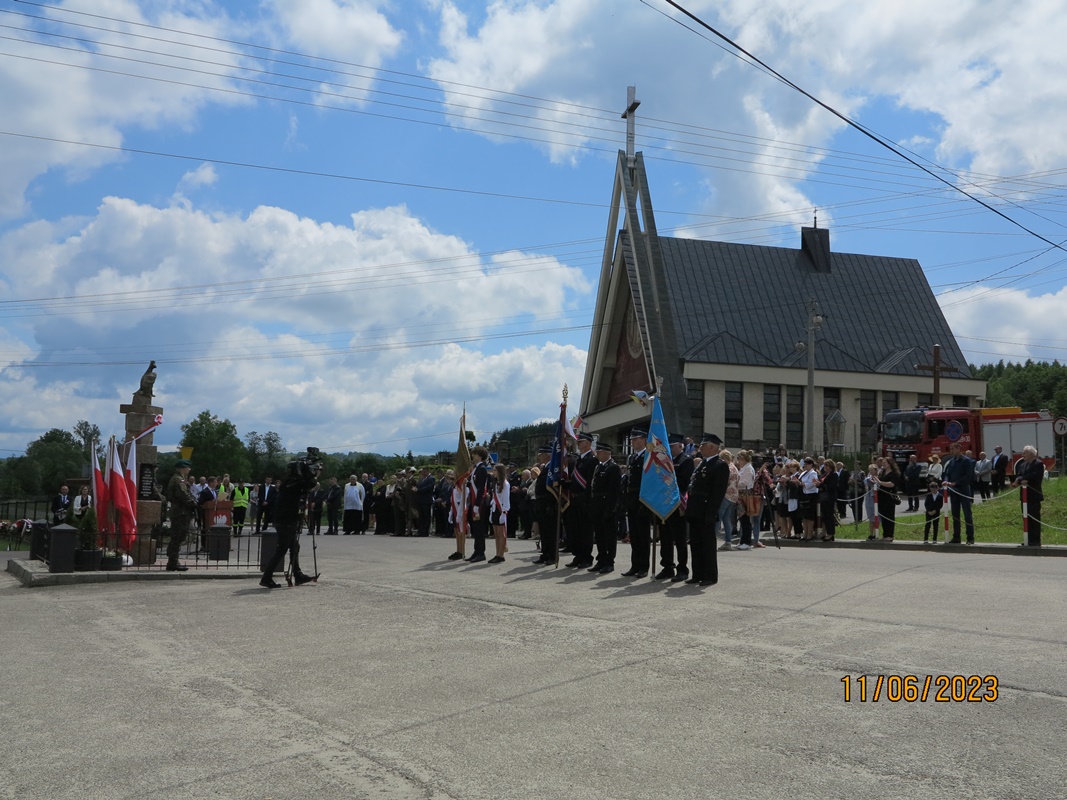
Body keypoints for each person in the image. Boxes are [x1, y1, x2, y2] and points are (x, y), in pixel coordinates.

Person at [260, 456, 320, 588]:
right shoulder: (293, 483)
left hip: (286, 519)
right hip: (286, 520)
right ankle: (266, 577)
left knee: (294, 546)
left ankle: (297, 575)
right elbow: (310, 483)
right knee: (282, 549)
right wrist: (315, 474)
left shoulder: (289, 482)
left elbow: (306, 485)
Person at [686, 433, 728, 587]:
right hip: (695, 509)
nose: (700, 448)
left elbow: (718, 493)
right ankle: (697, 574)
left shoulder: (720, 465)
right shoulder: (702, 464)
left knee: (707, 545)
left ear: (711, 447)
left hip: (706, 510)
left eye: (703, 445)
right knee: (695, 543)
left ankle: (710, 575)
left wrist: (711, 513)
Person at [658, 434, 695, 576]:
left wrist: (668, 480)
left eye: (672, 446)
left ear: (680, 446)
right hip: (665, 503)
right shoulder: (666, 461)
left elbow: (684, 482)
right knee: (665, 537)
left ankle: (682, 568)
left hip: (677, 503)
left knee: (679, 539)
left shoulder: (686, 460)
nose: (670, 449)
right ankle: (667, 566)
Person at [565, 432, 597, 569]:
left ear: (588, 443)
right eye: (578, 442)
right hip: (575, 499)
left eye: (581, 442)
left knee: (586, 531)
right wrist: (565, 484)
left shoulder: (592, 460)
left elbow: (590, 482)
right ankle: (578, 555)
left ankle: (586, 557)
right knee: (575, 530)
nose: (578, 444)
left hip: (585, 500)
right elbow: (575, 480)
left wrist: (585, 497)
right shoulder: (579, 460)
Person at [622, 429, 652, 577]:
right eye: (632, 440)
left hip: (642, 499)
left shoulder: (649, 456)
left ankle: (643, 567)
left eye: (635, 439)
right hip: (632, 499)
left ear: (644, 440)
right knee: (634, 535)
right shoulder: (632, 457)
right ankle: (635, 565)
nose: (632, 442)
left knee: (643, 535)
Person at [589, 442, 621, 574]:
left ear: (607, 453)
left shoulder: (613, 467)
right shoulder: (598, 467)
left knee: (609, 536)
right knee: (600, 535)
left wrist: (611, 508)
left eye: (599, 452)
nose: (597, 454)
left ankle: (609, 561)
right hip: (597, 504)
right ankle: (601, 559)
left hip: (607, 504)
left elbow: (614, 491)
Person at [164, 459, 198, 571]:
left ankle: (173, 560)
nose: (189, 469)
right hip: (180, 512)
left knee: (178, 536)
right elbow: (183, 495)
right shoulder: (178, 480)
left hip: (180, 512)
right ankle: (172, 561)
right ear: (182, 468)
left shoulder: (178, 479)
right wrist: (193, 503)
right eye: (188, 467)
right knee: (178, 536)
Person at [941, 442, 976, 545]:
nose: (951, 451)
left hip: (964, 490)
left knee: (967, 514)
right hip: (953, 491)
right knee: (955, 514)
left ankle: (970, 537)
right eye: (950, 449)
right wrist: (946, 481)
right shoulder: (951, 462)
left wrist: (955, 483)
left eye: (953, 449)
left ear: (958, 448)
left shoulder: (966, 461)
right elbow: (947, 474)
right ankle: (956, 537)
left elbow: (968, 476)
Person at [1012, 445, 1044, 547]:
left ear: (1031, 454)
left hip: (1034, 496)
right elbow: (1019, 475)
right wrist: (1018, 480)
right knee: (1026, 518)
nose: (1023, 455)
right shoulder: (1022, 465)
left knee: (1034, 518)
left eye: (1025, 453)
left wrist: (1021, 479)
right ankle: (1028, 540)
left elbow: (1034, 475)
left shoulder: (1038, 464)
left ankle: (1036, 540)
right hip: (1024, 496)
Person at [532, 446, 559, 564]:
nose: (540, 457)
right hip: (541, 504)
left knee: (550, 531)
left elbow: (553, 488)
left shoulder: (552, 469)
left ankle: (552, 555)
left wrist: (551, 504)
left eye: (541, 454)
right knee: (543, 531)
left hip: (548, 504)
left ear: (548, 455)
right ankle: (545, 553)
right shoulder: (546, 468)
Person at [488, 464, 510, 564]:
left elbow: (506, 500)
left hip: (501, 510)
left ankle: (501, 555)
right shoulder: (495, 483)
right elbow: (494, 497)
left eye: (495, 471)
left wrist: (504, 512)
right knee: (496, 534)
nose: (493, 472)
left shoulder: (505, 484)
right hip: (494, 509)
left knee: (501, 534)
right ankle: (497, 553)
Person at [876, 458, 901, 541]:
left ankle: (890, 535)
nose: (883, 464)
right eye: (882, 462)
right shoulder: (882, 472)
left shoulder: (894, 474)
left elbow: (892, 484)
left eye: (885, 462)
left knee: (889, 516)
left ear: (890, 463)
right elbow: (879, 481)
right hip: (881, 497)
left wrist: (880, 483)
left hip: (889, 498)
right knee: (883, 516)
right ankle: (885, 534)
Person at [923, 480, 944, 544]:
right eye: (931, 490)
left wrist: (935, 510)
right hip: (929, 512)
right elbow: (926, 504)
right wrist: (928, 511)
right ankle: (925, 539)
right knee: (927, 525)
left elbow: (940, 505)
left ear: (937, 488)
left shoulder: (940, 496)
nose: (933, 491)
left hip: (936, 512)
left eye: (934, 490)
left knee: (935, 525)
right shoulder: (928, 495)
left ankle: (934, 539)